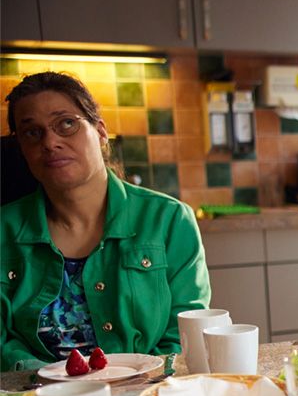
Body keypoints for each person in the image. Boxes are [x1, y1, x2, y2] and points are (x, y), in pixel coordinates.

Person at [1, 72, 211, 371]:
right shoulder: (3, 230)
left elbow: (185, 331)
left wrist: (139, 380)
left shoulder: (169, 220)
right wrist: (45, 380)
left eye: (66, 123)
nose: (50, 142)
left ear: (100, 132)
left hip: (147, 393)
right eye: (32, 132)